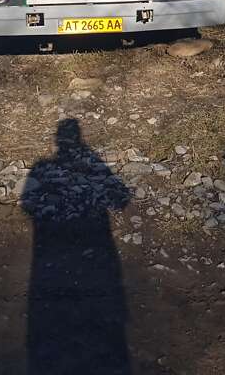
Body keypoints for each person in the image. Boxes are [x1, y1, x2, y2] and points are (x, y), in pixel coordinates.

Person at [21, 119, 132, 375]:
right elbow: (121, 199)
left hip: (48, 256)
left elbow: (27, 204)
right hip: (100, 256)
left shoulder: (41, 166)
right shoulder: (87, 160)